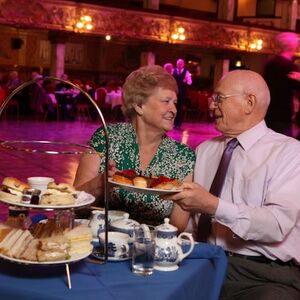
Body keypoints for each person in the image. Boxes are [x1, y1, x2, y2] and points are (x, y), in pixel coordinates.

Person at [166, 70, 300, 299]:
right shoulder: (205, 150)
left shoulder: (289, 153)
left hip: (263, 274)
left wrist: (213, 206)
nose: (211, 105)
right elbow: (196, 224)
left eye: (219, 98)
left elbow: (276, 224)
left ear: (249, 102)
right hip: (203, 260)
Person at [74, 65, 195, 230]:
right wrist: (100, 184)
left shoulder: (183, 156)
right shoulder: (107, 138)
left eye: (175, 103)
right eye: (166, 101)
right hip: (102, 240)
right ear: (139, 105)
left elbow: (177, 226)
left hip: (151, 247)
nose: (173, 109)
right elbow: (75, 204)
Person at [263, 31, 300, 137]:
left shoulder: (270, 64)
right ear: (291, 46)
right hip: (283, 114)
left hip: (268, 112)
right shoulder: (289, 67)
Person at [172, 58, 192, 129]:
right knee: (173, 108)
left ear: (183, 65)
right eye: (178, 64)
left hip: (182, 93)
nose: (179, 65)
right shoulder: (173, 71)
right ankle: (174, 123)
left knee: (179, 108)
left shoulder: (186, 72)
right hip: (174, 93)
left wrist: (186, 80)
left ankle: (178, 124)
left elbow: (190, 82)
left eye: (180, 64)